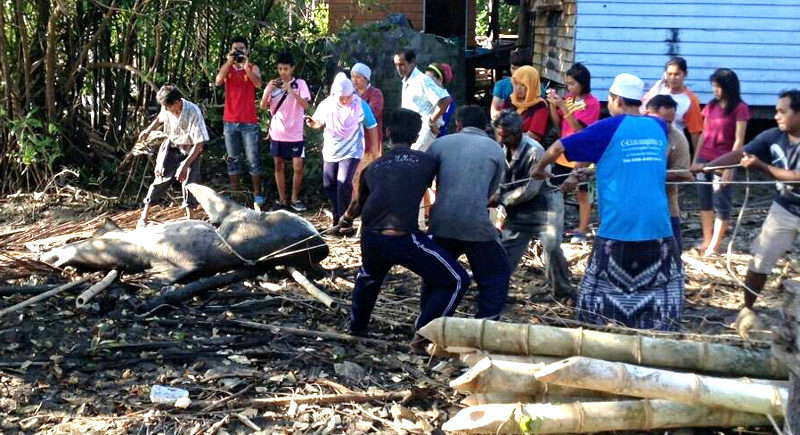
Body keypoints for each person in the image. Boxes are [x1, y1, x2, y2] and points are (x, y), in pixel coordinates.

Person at [532, 73, 684, 331]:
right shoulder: (659, 127)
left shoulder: (608, 128)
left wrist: (539, 168)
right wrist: (596, 171)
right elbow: (629, 162)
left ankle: (601, 335)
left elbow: (558, 147)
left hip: (618, 230)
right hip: (660, 227)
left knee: (595, 303)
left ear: (615, 99)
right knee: (659, 295)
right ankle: (656, 332)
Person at [339, 109, 469, 350]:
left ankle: (356, 329)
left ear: (388, 133)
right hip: (402, 237)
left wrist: (345, 220)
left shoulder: (374, 167)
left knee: (369, 277)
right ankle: (423, 335)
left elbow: (356, 205)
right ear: (416, 134)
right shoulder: (427, 162)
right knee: (457, 280)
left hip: (371, 235)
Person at [691, 90, 800, 318]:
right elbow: (740, 153)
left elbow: (796, 177)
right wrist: (708, 166)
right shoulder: (772, 136)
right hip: (786, 207)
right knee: (760, 261)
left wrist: (761, 166)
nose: (776, 116)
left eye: (782, 111)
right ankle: (746, 310)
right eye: (775, 111)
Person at [426, 105, 510, 319]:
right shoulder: (495, 149)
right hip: (477, 225)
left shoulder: (440, 144)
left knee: (436, 274)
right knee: (495, 275)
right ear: (485, 126)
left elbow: (424, 180)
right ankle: (486, 323)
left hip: (442, 223)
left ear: (458, 124)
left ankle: (429, 319)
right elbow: (491, 192)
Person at [490, 110, 572, 299]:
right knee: (507, 248)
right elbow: (501, 180)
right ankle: (496, 287)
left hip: (545, 206)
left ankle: (561, 289)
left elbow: (530, 189)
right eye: (499, 135)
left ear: (519, 131)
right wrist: (495, 193)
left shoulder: (535, 151)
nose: (502, 140)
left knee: (552, 247)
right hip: (518, 208)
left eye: (506, 136)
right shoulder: (500, 148)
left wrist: (502, 199)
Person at [306, 73, 378, 231]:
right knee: (329, 184)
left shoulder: (360, 105)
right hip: (332, 149)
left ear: (352, 93)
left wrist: (373, 149)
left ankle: (345, 223)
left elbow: (372, 125)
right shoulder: (327, 105)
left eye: (348, 96)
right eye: (341, 98)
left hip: (352, 149)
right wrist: (312, 123)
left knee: (344, 182)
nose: (345, 100)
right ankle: (339, 215)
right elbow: (318, 123)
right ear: (334, 95)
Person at [693, 68, 750, 255]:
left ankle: (715, 245)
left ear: (729, 87)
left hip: (724, 159)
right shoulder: (710, 106)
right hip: (705, 158)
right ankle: (706, 240)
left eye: (718, 87)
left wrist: (730, 167)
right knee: (704, 201)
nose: (715, 91)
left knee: (721, 202)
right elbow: (704, 134)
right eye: (713, 87)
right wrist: (695, 159)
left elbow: (739, 140)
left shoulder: (740, 108)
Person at [136, 85, 208, 227]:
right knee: (161, 179)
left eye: (171, 108)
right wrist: (148, 130)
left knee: (189, 183)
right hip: (172, 144)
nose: (170, 111)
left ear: (177, 102)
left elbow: (199, 144)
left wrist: (185, 164)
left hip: (191, 148)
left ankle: (190, 219)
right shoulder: (167, 106)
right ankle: (143, 218)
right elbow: (159, 119)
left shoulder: (193, 112)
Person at [546, 63, 601, 242]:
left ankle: (582, 230)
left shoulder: (592, 103)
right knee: (556, 189)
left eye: (572, 84)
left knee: (583, 193)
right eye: (567, 84)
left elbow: (578, 129)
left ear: (583, 83)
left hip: (582, 154)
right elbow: (557, 123)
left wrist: (563, 106)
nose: (569, 88)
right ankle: (554, 225)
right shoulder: (568, 98)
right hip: (564, 153)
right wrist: (553, 106)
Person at [215, 36, 264, 210]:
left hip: (249, 121)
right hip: (230, 121)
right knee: (232, 159)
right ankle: (235, 194)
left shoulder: (252, 67)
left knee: (253, 159)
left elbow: (258, 84)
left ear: (247, 51)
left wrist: (245, 66)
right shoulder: (227, 68)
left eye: (241, 49)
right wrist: (229, 62)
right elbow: (218, 81)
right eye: (235, 49)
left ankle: (258, 195)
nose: (238, 52)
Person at [260, 51, 311, 212]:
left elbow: (306, 106)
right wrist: (268, 89)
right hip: (277, 133)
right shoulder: (273, 85)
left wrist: (291, 91)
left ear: (292, 69)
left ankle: (294, 198)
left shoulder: (300, 84)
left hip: (295, 133)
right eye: (280, 69)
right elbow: (262, 106)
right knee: (278, 166)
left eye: (286, 69)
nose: (283, 72)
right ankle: (282, 200)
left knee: (298, 167)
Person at [645, 95, 693, 250]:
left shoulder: (677, 138)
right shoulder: (635, 133)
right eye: (662, 121)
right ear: (647, 114)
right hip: (635, 205)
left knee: (672, 255)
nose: (666, 125)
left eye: (669, 121)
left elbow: (683, 173)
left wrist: (648, 173)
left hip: (666, 206)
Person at [393, 48, 452, 151]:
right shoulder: (406, 80)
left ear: (412, 62)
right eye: (396, 65)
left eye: (402, 64)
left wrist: (432, 121)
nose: (399, 68)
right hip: (411, 134)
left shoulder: (422, 80)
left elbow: (446, 99)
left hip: (423, 133)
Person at [641, 57, 704, 150]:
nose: (673, 78)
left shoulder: (691, 100)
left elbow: (695, 133)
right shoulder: (658, 88)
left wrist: (695, 161)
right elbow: (642, 108)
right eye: (669, 74)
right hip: (649, 140)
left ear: (685, 74)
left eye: (677, 74)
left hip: (673, 146)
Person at [504, 66, 549, 142]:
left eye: (523, 84)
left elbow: (533, 135)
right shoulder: (510, 100)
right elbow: (500, 124)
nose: (518, 88)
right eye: (516, 83)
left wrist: (508, 139)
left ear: (532, 85)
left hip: (528, 148)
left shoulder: (540, 105)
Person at [351, 62, 385, 156]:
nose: (354, 80)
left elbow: (372, 113)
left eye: (358, 77)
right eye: (353, 77)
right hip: (354, 146)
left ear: (366, 79)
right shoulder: (350, 95)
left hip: (371, 144)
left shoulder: (375, 93)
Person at [491, 49, 533, 120]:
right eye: (513, 68)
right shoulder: (501, 85)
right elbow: (494, 114)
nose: (516, 73)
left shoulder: (536, 86)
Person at [424, 63, 456, 137]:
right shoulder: (430, 96)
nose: (425, 81)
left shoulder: (446, 100)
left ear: (439, 80)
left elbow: (441, 125)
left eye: (428, 78)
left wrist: (432, 120)